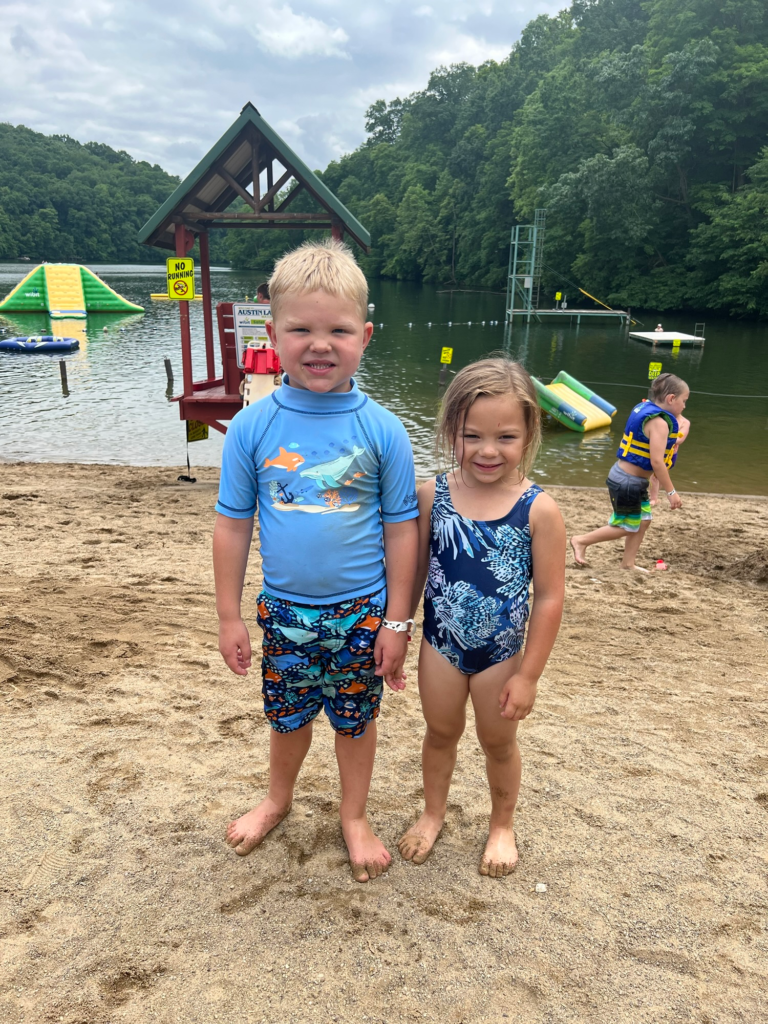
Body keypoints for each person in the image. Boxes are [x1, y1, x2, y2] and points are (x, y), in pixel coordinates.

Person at [213, 239, 419, 883]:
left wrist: (397, 621)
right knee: (288, 713)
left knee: (356, 721)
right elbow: (232, 524)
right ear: (273, 332)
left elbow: (403, 530)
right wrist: (228, 616)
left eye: (338, 330)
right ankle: (278, 798)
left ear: (366, 335)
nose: (319, 344)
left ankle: (354, 816)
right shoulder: (252, 425)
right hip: (285, 611)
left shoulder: (383, 429)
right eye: (300, 329)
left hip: (362, 611)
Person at [398, 359, 565, 877]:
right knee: (440, 732)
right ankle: (433, 812)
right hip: (439, 645)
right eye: (472, 435)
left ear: (529, 433)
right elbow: (414, 570)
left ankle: (502, 823)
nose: (488, 450)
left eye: (506, 436)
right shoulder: (433, 496)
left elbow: (549, 597)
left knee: (498, 741)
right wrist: (398, 630)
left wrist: (529, 674)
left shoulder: (539, 510)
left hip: (501, 655)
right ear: (452, 430)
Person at [570, 373, 689, 571]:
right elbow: (657, 462)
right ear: (671, 399)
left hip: (632, 480)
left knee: (644, 520)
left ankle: (628, 563)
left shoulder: (645, 408)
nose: (684, 406)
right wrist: (671, 492)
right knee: (626, 525)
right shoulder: (659, 422)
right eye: (684, 401)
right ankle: (581, 541)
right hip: (627, 482)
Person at [650, 413, 690, 505]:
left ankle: (655, 495)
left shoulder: (685, 422)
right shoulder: (662, 418)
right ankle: (653, 498)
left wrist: (662, 438)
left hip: (671, 454)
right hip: (659, 451)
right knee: (655, 476)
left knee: (662, 475)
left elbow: (680, 439)